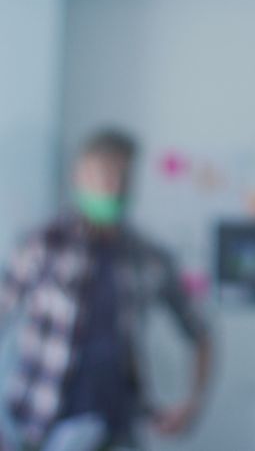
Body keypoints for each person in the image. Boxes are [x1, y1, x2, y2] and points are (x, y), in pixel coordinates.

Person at [0, 129, 213, 450]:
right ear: (79, 177)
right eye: (104, 175)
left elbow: (201, 332)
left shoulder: (149, 257)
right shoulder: (42, 247)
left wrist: (193, 402)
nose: (114, 187)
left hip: (119, 428)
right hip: (40, 426)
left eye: (123, 176)